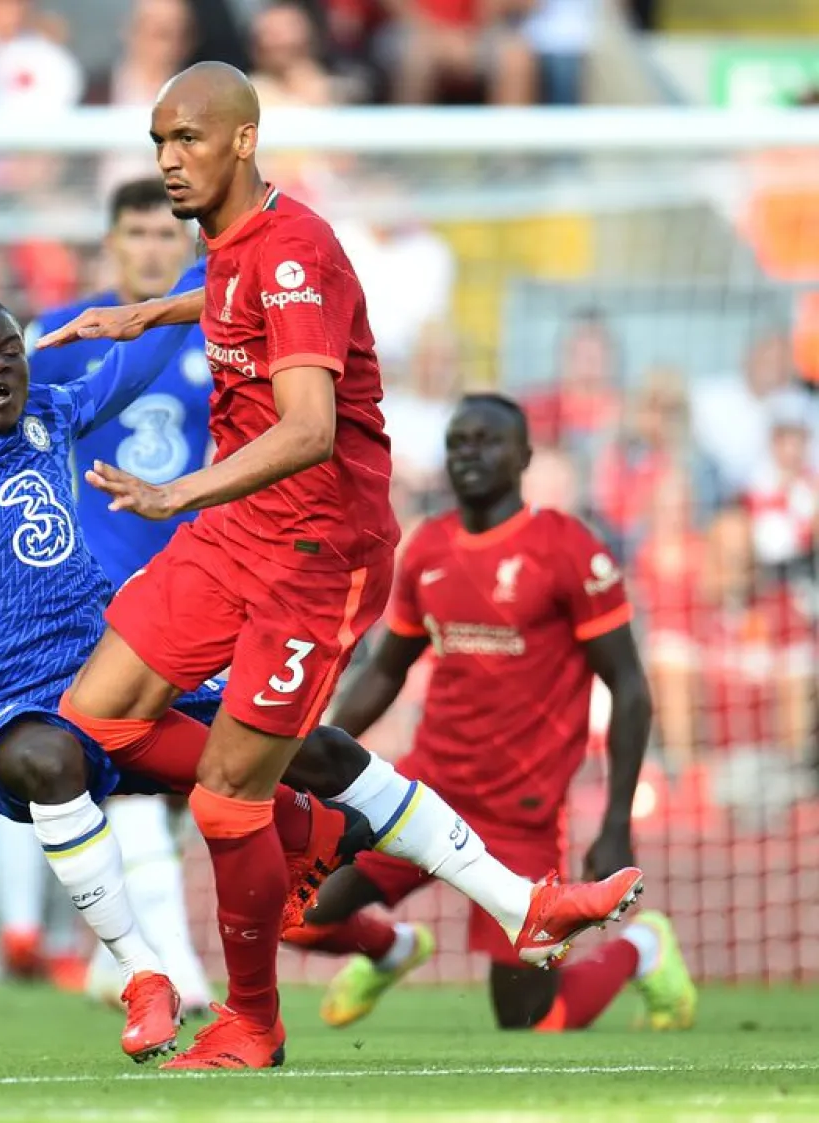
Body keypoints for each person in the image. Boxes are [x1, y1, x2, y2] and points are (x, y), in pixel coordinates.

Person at [36, 61, 644, 1069]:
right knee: (92, 723)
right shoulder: (232, 244)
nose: (167, 161)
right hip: (235, 531)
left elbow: (313, 427)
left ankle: (253, 1023)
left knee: (227, 802)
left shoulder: (292, 247)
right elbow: (237, 306)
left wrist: (175, 492)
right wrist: (145, 315)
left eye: (186, 140)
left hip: (316, 549)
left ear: (242, 140)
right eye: (156, 142)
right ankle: (311, 814)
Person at [0, 288, 370, 1064]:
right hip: (10, 707)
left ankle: (461, 880)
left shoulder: (51, 412)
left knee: (298, 746)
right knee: (56, 762)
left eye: (7, 350)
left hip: (115, 679)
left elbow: (125, 372)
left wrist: (193, 289)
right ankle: (142, 971)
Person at [290, 394, 697, 1034]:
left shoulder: (568, 550)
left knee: (532, 1020)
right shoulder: (429, 549)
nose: (469, 454)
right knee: (298, 913)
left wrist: (616, 817)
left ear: (525, 456)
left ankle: (642, 949)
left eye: (486, 441)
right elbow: (388, 670)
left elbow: (630, 687)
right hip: (427, 792)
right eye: (457, 443)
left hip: (522, 812)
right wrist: (318, 748)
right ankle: (393, 949)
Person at [27, 178, 215, 1011]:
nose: (152, 247)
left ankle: (118, 958)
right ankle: (169, 963)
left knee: (184, 780)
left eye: (166, 234)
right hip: (100, 587)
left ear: (189, 246)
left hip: (208, 578)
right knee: (129, 764)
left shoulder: (220, 325)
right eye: (136, 231)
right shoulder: (65, 335)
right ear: (111, 241)